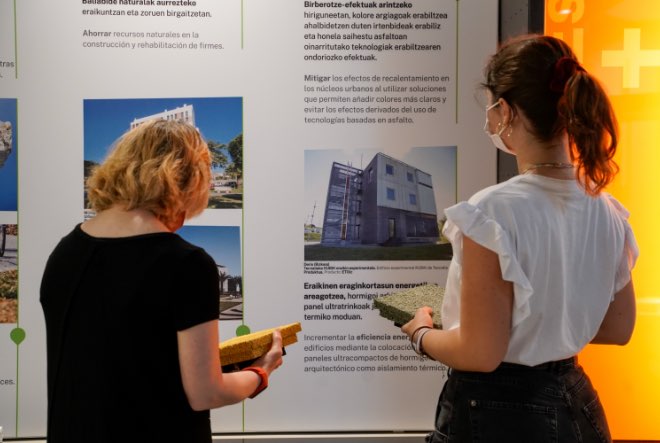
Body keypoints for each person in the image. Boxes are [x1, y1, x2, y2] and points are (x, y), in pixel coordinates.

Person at [402, 35, 638, 443]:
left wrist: (421, 333)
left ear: (505, 111)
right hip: (577, 404)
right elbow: (618, 327)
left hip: (499, 413)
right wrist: (538, 318)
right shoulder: (608, 210)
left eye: (492, 109)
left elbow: (480, 354)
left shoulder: (492, 211)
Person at [40, 119, 283, 443]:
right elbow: (205, 392)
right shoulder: (186, 264)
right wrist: (260, 372)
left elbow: (120, 359)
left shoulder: (65, 252)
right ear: (188, 180)